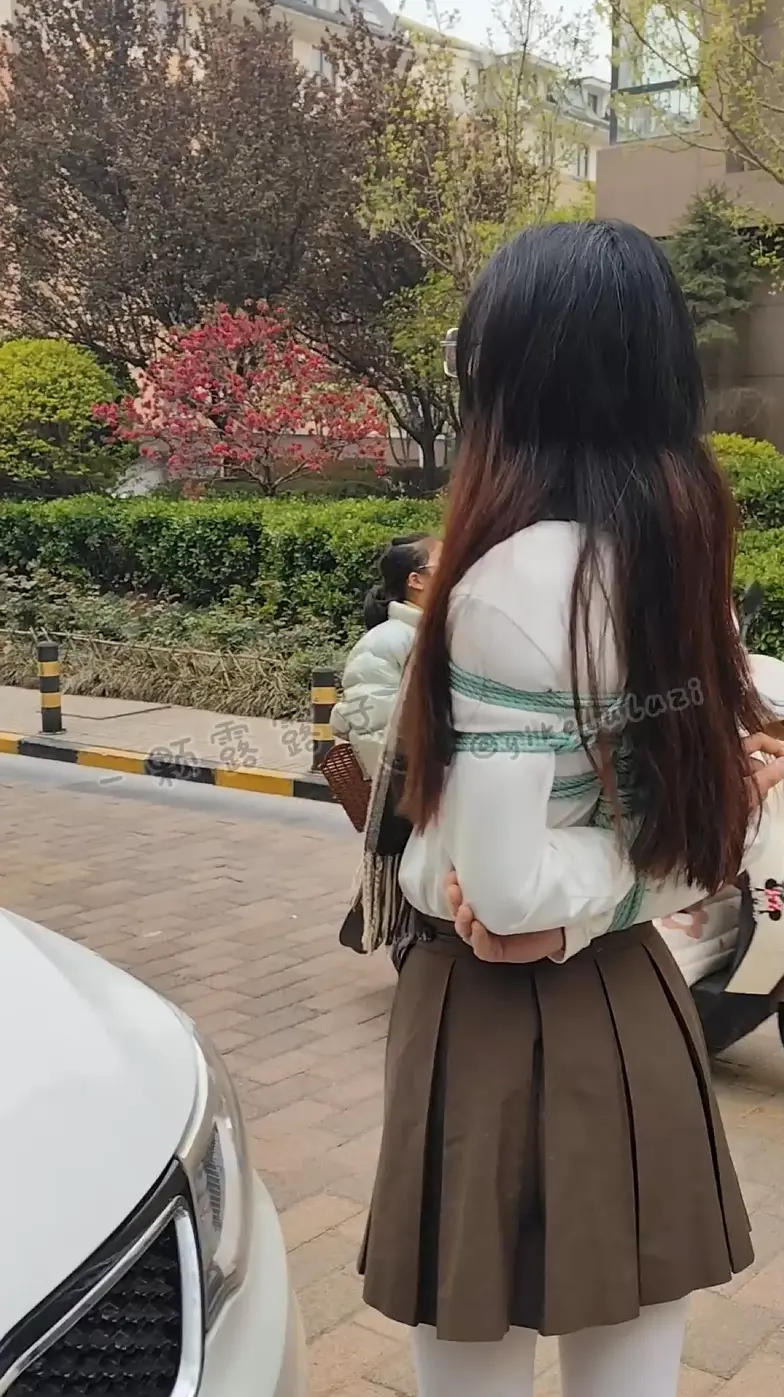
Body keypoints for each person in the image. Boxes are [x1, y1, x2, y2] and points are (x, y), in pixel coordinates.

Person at [353, 220, 784, 1397]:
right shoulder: (683, 558)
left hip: (482, 1012)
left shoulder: (504, 586)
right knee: (627, 1370)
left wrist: (566, 897)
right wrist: (620, 886)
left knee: (476, 1361)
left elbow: (500, 899)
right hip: (638, 997)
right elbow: (704, 834)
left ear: (511, 374)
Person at [330, 533, 441, 778]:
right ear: (416, 580)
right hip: (417, 790)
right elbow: (373, 738)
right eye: (445, 565)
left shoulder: (442, 636)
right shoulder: (384, 643)